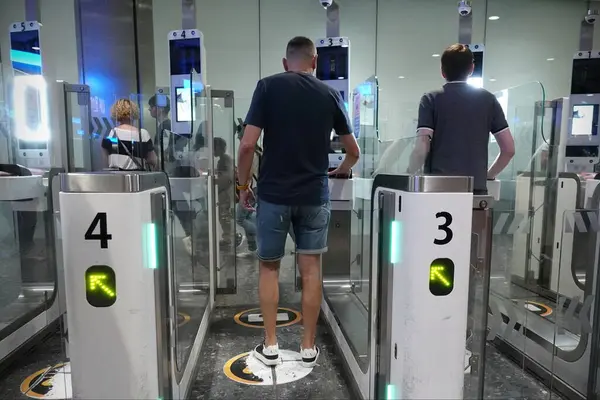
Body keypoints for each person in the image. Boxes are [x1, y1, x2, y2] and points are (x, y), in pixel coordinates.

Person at [237, 36, 360, 368]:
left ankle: (272, 345)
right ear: (315, 61)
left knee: (269, 268)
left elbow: (247, 145)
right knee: (311, 272)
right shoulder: (329, 94)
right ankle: (307, 347)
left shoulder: (267, 87)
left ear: (285, 62)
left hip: (275, 195)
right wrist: (338, 172)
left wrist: (243, 186)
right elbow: (353, 152)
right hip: (313, 195)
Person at [408, 44, 515, 193]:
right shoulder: (488, 100)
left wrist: (410, 172)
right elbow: (508, 149)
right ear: (471, 69)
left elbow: (422, 146)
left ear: (442, 71)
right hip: (474, 189)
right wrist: (487, 176)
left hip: (438, 188)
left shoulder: (431, 99)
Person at [102, 99, 157, 170]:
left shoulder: (110, 133)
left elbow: (105, 161)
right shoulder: (142, 134)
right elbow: (152, 159)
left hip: (116, 177)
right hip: (137, 177)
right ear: (134, 112)